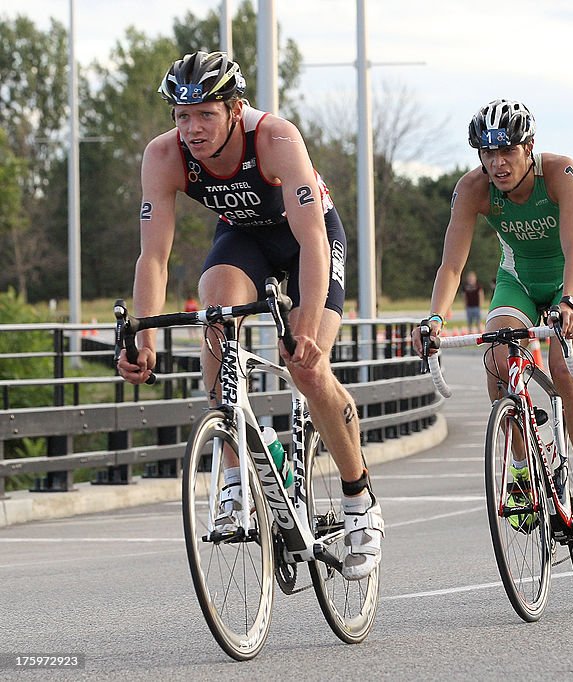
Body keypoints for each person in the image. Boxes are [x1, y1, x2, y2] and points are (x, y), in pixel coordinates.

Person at [115, 52, 381, 580]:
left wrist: (304, 332)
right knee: (216, 316)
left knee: (307, 367)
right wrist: (143, 334)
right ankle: (236, 475)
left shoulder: (275, 138)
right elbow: (154, 255)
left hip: (310, 239)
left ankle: (359, 500)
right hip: (244, 239)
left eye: (205, 114)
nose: (191, 129)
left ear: (235, 109)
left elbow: (311, 242)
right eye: (181, 115)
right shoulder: (163, 156)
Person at [414, 99, 573, 545]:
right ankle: (523, 470)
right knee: (498, 354)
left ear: (529, 147)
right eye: (487, 154)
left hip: (572, 276)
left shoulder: (560, 174)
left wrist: (571, 303)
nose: (497, 163)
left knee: (565, 371)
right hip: (517, 279)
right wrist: (435, 319)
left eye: (507, 151)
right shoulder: (473, 189)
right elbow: (451, 265)